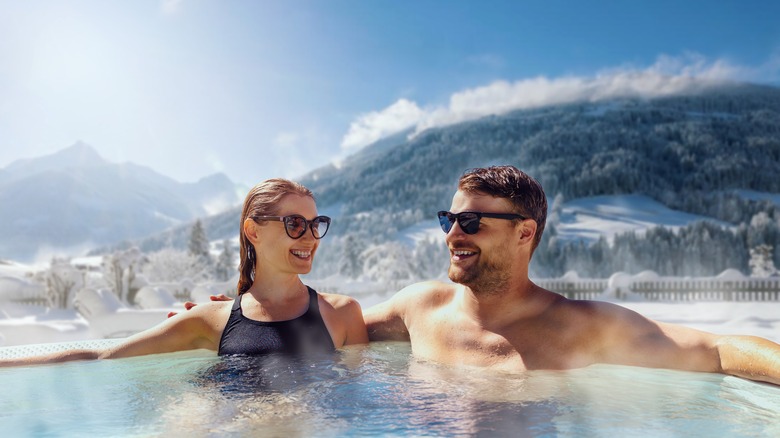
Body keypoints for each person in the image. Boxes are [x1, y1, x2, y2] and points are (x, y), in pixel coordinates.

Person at [178, 166, 780, 385]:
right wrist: (233, 312)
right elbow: (317, 320)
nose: (452, 234)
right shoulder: (422, 309)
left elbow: (721, 348)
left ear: (525, 234)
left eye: (470, 220)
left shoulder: (580, 326)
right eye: (449, 218)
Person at [0, 178, 368, 367]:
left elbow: (360, 405)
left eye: (315, 223)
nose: (309, 236)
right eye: (294, 224)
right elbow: (101, 357)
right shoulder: (212, 320)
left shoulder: (342, 313)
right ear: (253, 231)